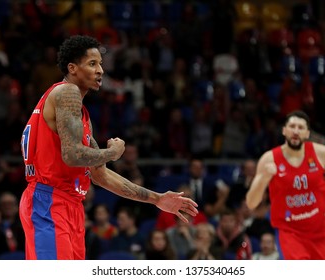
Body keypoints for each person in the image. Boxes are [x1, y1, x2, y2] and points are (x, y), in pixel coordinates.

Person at [19, 35, 198, 260]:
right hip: (49, 200)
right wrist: (113, 153)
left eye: (101, 64)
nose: (100, 70)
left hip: (69, 204)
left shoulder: (79, 114)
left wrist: (157, 199)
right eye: (92, 64)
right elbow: (72, 155)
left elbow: (100, 174)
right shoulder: (67, 92)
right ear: (72, 68)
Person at [246, 110, 325, 260]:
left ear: (307, 133)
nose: (296, 131)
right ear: (284, 130)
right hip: (291, 233)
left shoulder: (321, 153)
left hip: (321, 231)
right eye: (292, 126)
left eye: (300, 127)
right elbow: (251, 203)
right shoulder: (269, 159)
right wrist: (264, 178)